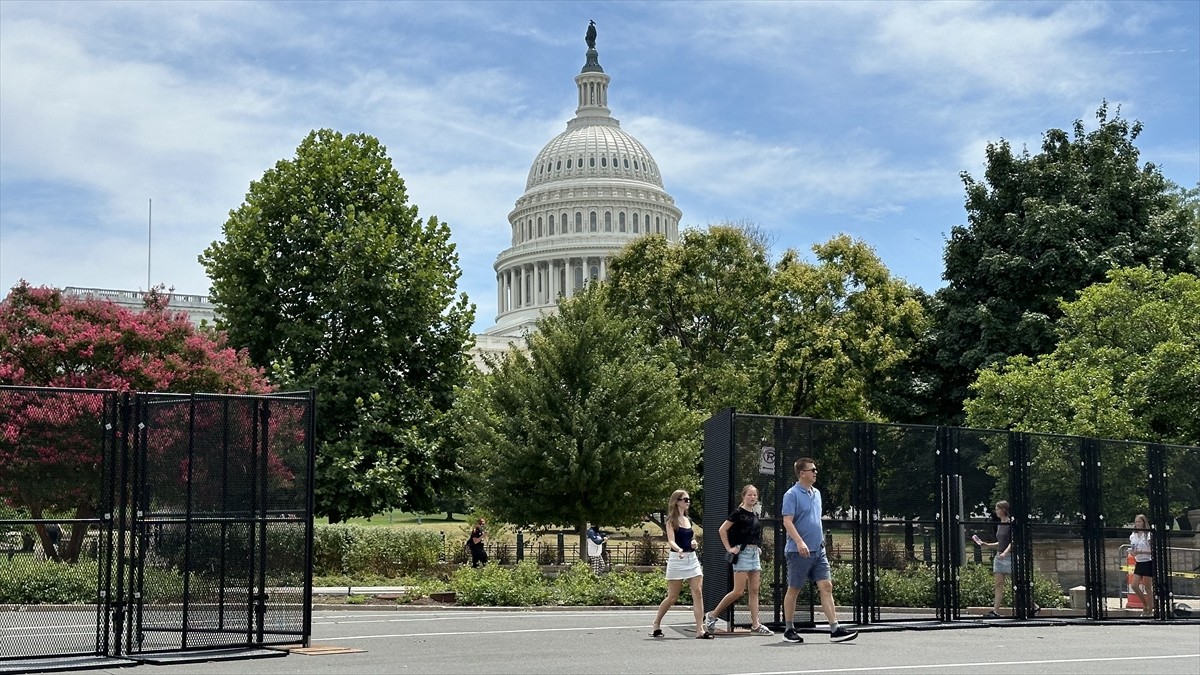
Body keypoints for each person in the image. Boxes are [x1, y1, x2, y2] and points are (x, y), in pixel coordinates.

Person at [781, 458, 858, 643]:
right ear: (802, 473)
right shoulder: (791, 494)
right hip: (798, 552)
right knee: (794, 588)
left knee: (826, 586)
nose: (815, 472)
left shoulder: (817, 493)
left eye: (815, 469)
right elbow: (787, 521)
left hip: (818, 551)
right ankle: (789, 629)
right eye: (812, 470)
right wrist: (800, 543)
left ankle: (835, 629)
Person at [703, 485, 772, 636]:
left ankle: (756, 624)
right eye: (749, 495)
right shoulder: (738, 513)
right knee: (738, 591)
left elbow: (753, 534)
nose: (752, 497)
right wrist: (729, 548)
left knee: (754, 590)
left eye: (754, 495)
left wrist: (757, 547)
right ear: (743, 496)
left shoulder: (754, 514)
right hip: (742, 554)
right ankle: (712, 615)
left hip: (754, 554)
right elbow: (722, 529)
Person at [651, 489, 713, 639]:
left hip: (691, 558)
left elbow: (690, 538)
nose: (688, 502)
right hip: (677, 559)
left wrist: (694, 543)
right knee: (672, 596)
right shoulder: (671, 520)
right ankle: (656, 623)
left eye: (688, 499)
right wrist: (678, 549)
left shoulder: (689, 520)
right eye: (685, 499)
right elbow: (671, 540)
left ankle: (700, 629)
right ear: (677, 501)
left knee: (697, 592)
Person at [977, 500, 1039, 618]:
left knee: (1018, 584)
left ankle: (1034, 606)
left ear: (1003, 510)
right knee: (998, 584)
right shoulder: (1000, 524)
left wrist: (1005, 552)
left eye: (997, 509)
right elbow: (1000, 542)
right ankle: (995, 611)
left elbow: (1013, 541)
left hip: (1010, 557)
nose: (996, 511)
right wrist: (987, 545)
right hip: (999, 557)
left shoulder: (1011, 523)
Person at [1129, 514, 1154, 616]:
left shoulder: (1147, 535)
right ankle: (1144, 604)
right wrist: (1132, 552)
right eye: (1136, 522)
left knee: (1148, 587)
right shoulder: (1133, 535)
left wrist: (1141, 551)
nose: (1138, 524)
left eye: (1139, 522)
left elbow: (1152, 550)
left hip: (1147, 561)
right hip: (1139, 562)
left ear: (1144, 522)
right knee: (1134, 585)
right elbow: (1133, 547)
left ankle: (1150, 608)